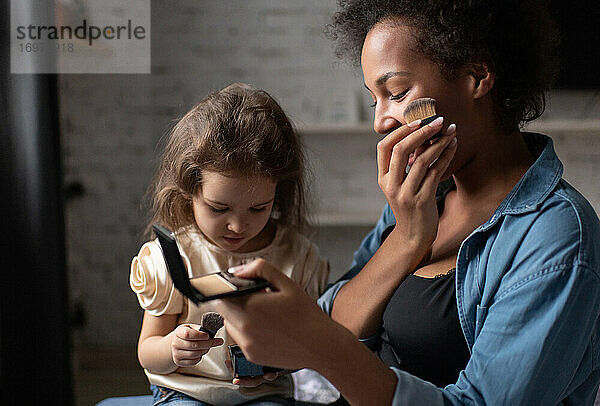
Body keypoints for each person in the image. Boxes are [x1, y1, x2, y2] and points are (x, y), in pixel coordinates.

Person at [214, 1, 600, 405]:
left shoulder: (557, 236)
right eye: (374, 99)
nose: (381, 121)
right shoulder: (423, 195)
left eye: (396, 92)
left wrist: (317, 343)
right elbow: (341, 322)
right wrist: (407, 238)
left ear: (477, 76)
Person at [129, 83, 330, 406]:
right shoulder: (174, 258)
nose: (237, 225)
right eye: (219, 209)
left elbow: (308, 346)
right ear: (188, 192)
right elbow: (147, 351)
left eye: (258, 208)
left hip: (265, 394)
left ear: (278, 194)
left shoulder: (297, 257)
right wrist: (172, 349)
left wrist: (280, 362)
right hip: (186, 391)